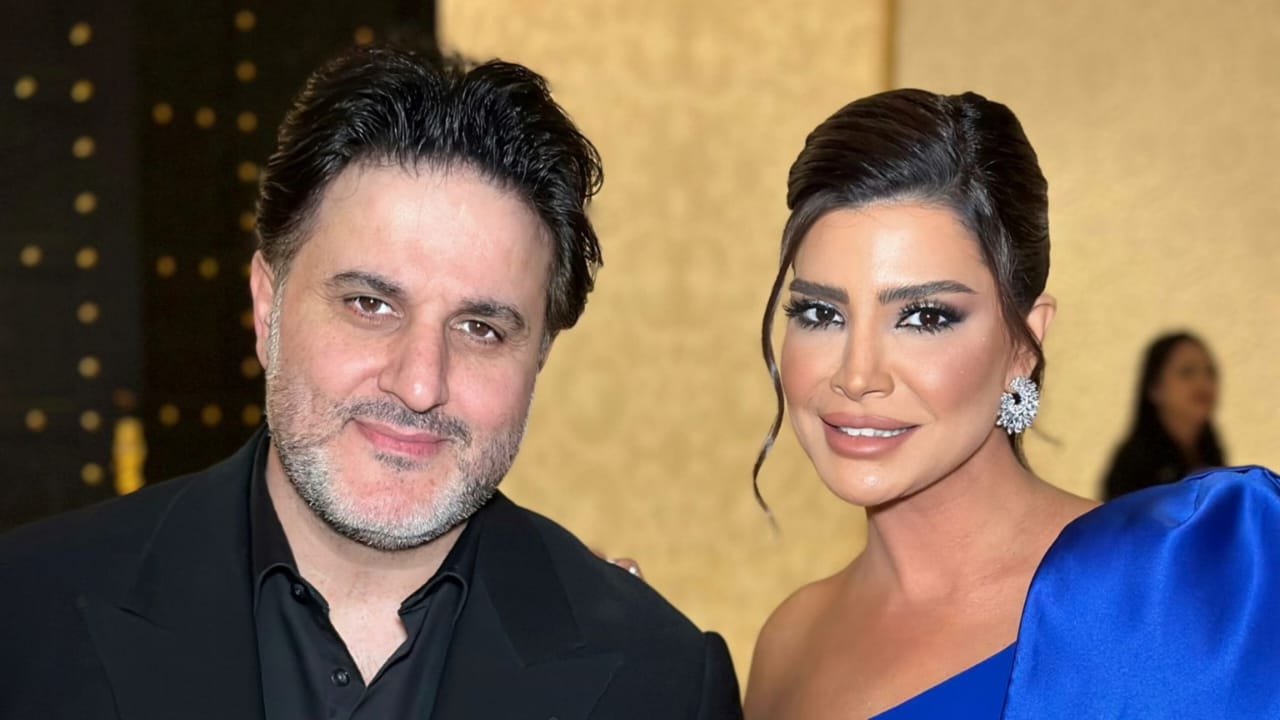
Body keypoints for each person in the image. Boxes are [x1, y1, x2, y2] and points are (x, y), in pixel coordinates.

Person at [0, 46, 740, 719]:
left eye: (480, 328)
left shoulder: (664, 681)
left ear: (540, 356)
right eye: (369, 305)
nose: (419, 384)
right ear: (267, 307)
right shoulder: (25, 618)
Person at [742, 89, 1280, 719]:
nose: (857, 376)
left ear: (1025, 343)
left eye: (924, 316)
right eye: (820, 313)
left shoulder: (1185, 588)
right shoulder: (789, 645)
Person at [1103, 331, 1226, 499]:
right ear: (1154, 388)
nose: (1203, 382)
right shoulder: (1135, 465)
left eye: (1210, 372)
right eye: (1187, 372)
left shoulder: (1212, 455)